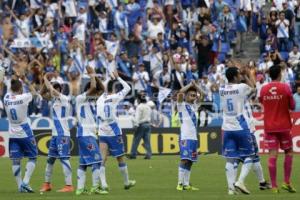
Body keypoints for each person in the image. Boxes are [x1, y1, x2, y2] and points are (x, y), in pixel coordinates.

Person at [97, 71, 136, 192]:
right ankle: (126, 182)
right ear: (113, 89)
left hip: (102, 131)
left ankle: (103, 184)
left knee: (102, 159)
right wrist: (118, 77)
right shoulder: (115, 97)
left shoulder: (99, 100)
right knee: (120, 158)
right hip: (114, 131)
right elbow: (128, 87)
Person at [259, 65, 296, 193]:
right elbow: (292, 106)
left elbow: (261, 101)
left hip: (269, 126)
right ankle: (286, 182)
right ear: (280, 74)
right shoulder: (285, 87)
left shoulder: (263, 89)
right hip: (284, 126)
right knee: (289, 152)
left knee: (272, 155)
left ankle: (274, 186)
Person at [220, 67, 256, 195]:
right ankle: (240, 181)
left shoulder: (221, 89)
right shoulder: (241, 87)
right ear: (235, 76)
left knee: (230, 159)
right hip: (240, 126)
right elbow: (254, 89)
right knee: (250, 156)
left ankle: (231, 189)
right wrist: (247, 76)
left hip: (226, 127)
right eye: (238, 75)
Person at [75, 67, 107, 195]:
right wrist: (92, 74)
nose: (96, 94)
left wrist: (95, 77)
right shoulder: (80, 98)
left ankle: (80, 188)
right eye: (93, 92)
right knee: (97, 160)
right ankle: (95, 187)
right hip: (85, 134)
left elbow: (101, 89)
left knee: (83, 163)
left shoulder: (92, 100)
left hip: (88, 134)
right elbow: (94, 88)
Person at [40, 73, 73, 193]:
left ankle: (69, 185)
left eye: (57, 88)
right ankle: (47, 184)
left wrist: (45, 78)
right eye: (55, 87)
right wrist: (45, 81)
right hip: (55, 134)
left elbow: (51, 90)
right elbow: (42, 94)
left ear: (60, 90)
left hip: (63, 134)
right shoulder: (54, 101)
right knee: (50, 160)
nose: (54, 90)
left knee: (64, 159)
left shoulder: (64, 99)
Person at [4, 76, 37, 192]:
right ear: (21, 88)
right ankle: (25, 182)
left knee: (16, 160)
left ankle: (19, 187)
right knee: (33, 157)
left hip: (12, 133)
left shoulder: (6, 97)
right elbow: (34, 92)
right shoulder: (24, 97)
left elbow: (9, 89)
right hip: (25, 132)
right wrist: (27, 81)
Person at [176, 80, 203, 191]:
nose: (194, 97)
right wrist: (190, 85)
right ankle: (179, 183)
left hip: (193, 138)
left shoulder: (194, 106)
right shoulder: (181, 105)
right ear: (186, 96)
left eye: (194, 95)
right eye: (191, 95)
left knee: (191, 161)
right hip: (185, 137)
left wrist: (196, 86)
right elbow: (180, 93)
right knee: (184, 159)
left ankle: (186, 184)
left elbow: (203, 95)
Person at [128, 92, 152, 159]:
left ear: (138, 100)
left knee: (136, 140)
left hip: (141, 125)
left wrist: (135, 125)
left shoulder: (139, 107)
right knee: (147, 141)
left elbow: (137, 118)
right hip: (148, 124)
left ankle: (133, 154)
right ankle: (148, 154)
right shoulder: (148, 106)